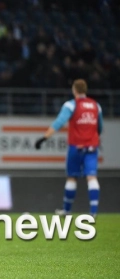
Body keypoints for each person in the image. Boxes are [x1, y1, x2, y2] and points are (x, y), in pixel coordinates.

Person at [35, 79, 103, 218]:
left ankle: (66, 210)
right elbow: (99, 126)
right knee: (92, 177)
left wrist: (44, 138)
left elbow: (59, 122)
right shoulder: (96, 105)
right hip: (91, 147)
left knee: (72, 178)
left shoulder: (71, 105)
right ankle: (94, 212)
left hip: (76, 147)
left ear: (74, 90)